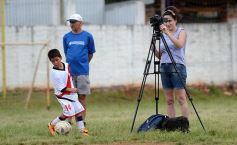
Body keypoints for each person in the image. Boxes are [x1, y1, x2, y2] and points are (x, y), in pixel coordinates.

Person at [154, 6, 189, 118]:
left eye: (169, 21)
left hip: (177, 67)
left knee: (181, 98)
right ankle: (172, 124)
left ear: (175, 20)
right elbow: (161, 56)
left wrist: (167, 32)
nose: (167, 23)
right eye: (165, 21)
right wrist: (154, 49)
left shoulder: (181, 31)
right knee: (169, 100)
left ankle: (184, 124)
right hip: (164, 67)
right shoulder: (162, 35)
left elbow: (179, 44)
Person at [63, 14, 96, 125]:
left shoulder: (88, 36)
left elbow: (91, 53)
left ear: (80, 23)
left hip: (83, 72)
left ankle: (82, 121)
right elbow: (66, 52)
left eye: (74, 21)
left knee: (82, 96)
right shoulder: (66, 37)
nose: (71, 24)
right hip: (70, 72)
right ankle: (69, 121)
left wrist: (83, 63)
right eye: (70, 22)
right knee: (70, 97)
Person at [47, 49, 88, 136]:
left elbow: (69, 75)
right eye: (53, 61)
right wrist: (72, 89)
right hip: (63, 95)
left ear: (61, 58)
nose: (55, 62)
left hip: (72, 95)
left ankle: (82, 131)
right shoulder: (54, 73)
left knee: (78, 111)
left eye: (57, 60)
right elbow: (61, 88)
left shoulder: (66, 65)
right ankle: (52, 124)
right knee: (68, 114)